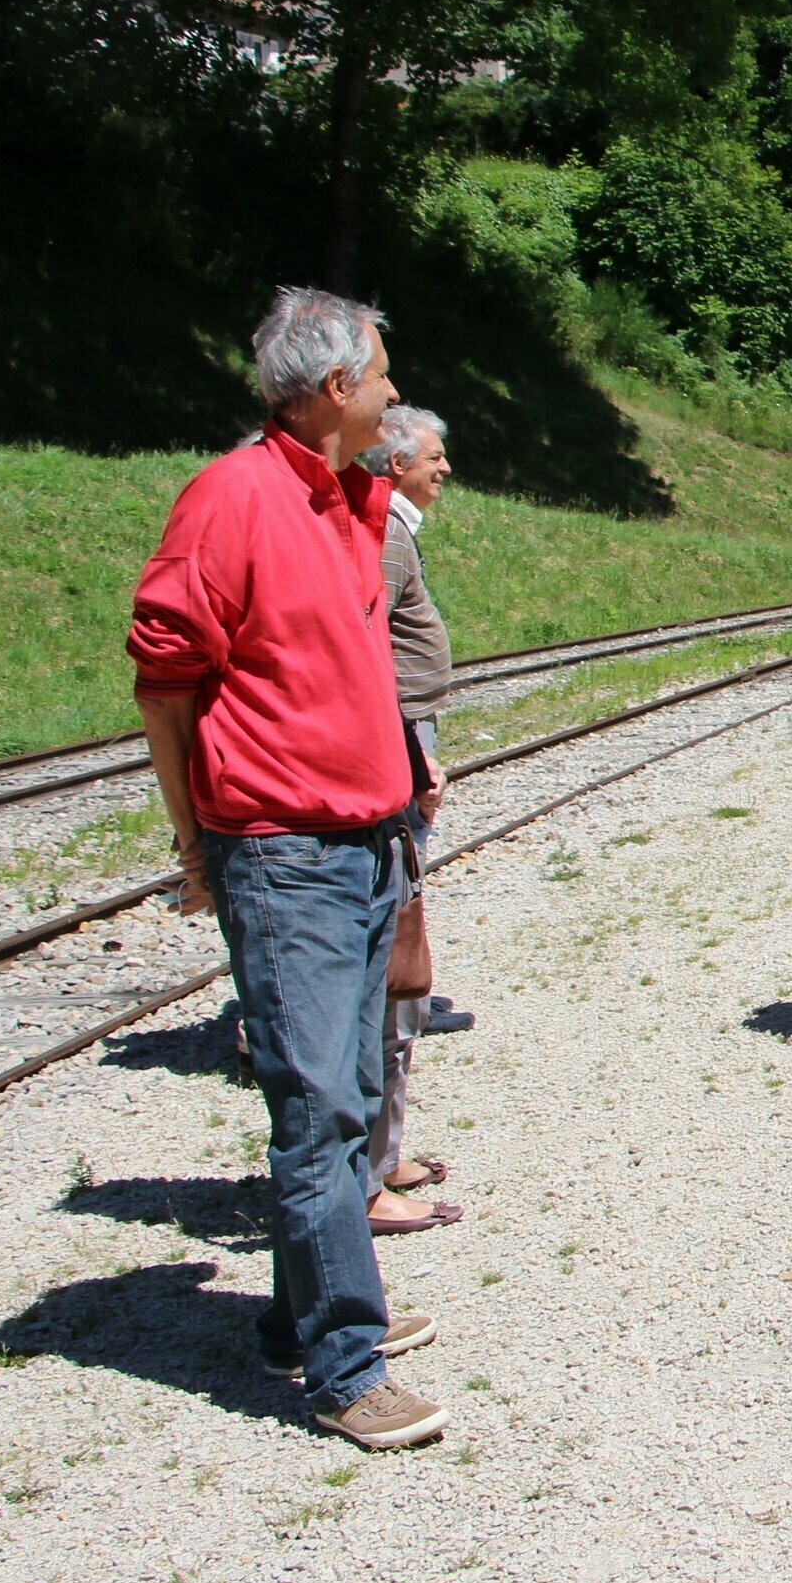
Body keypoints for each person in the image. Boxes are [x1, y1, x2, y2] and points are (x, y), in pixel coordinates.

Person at [128, 287, 446, 1449]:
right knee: (317, 1109)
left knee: (348, 1096)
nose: (394, 394)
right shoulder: (233, 500)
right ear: (331, 391)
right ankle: (342, 1364)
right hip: (283, 850)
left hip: (365, 844)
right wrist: (193, 839)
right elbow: (164, 681)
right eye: (382, 376)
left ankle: (293, 1316)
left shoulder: (348, 501)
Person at [359, 404, 462, 1235]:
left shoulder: (391, 526)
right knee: (396, 944)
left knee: (399, 943)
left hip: (400, 742)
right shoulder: (385, 535)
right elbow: (368, 655)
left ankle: (384, 1151)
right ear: (392, 464)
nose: (445, 467)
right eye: (434, 455)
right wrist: (409, 755)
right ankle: (376, 1161)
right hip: (392, 749)